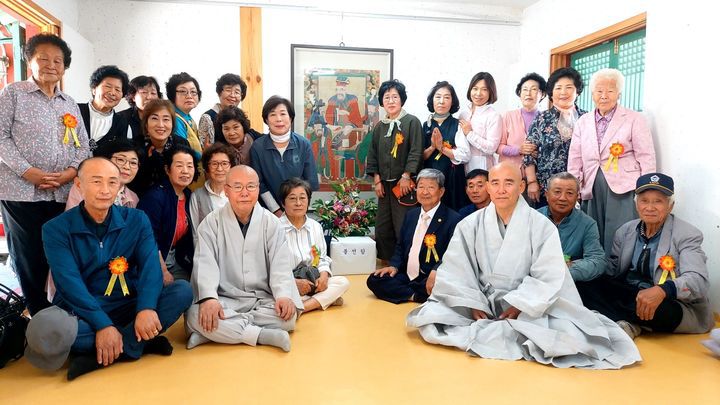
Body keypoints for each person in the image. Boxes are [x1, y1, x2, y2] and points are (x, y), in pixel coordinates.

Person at [406, 162, 641, 369]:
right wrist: (471, 302)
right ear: (488, 187)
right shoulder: (469, 224)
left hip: (527, 303)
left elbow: (548, 273)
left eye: (508, 183)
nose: (501, 189)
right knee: (432, 317)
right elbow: (458, 267)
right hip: (481, 299)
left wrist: (520, 304)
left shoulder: (541, 225)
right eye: (495, 183)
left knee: (564, 335)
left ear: (521, 187)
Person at [25, 157, 192, 380]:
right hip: (83, 311)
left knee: (182, 291)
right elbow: (68, 283)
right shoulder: (55, 229)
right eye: (96, 181)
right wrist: (103, 325)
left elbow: (151, 267)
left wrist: (146, 308)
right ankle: (137, 343)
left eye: (112, 182)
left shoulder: (137, 219)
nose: (105, 190)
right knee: (45, 330)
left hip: (129, 303)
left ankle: (101, 354)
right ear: (79, 184)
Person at [0, 33, 90, 315]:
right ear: (30, 61)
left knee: (58, 251)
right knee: (29, 254)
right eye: (43, 59)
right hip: (21, 191)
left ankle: (59, 310)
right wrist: (29, 172)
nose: (51, 65)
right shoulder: (13, 93)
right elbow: (1, 137)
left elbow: (83, 145)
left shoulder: (69, 103)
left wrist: (70, 172)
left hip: (61, 192)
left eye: (58, 61)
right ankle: (37, 313)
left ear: (65, 67)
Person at [576, 173, 713, 338]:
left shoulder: (687, 234)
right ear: (636, 204)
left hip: (670, 302)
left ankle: (617, 319)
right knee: (584, 285)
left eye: (658, 201)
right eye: (644, 201)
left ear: (670, 206)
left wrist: (664, 290)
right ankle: (631, 323)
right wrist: (584, 267)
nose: (650, 207)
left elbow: (698, 280)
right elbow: (611, 271)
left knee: (654, 309)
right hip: (633, 295)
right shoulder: (625, 231)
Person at [185, 165, 303, 351]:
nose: (245, 193)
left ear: (258, 189)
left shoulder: (271, 222)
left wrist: (282, 295)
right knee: (193, 315)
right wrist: (209, 298)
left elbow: (280, 265)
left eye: (251, 186)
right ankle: (262, 335)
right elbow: (205, 264)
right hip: (225, 298)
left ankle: (213, 333)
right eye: (238, 186)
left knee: (288, 317)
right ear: (226, 190)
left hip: (262, 298)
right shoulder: (211, 223)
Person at [568, 68, 656, 252]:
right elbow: (575, 157)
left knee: (621, 231)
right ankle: (596, 264)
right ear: (592, 94)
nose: (604, 95)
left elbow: (646, 155)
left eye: (610, 90)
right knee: (592, 230)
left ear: (619, 94)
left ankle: (618, 267)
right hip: (590, 184)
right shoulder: (583, 121)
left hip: (624, 185)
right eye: (599, 91)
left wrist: (646, 188)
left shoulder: (634, 118)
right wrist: (573, 186)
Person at [367, 169, 460, 304]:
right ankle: (415, 295)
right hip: (407, 275)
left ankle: (408, 292)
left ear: (441, 191)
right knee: (374, 279)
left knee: (445, 286)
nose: (425, 192)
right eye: (421, 187)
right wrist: (394, 266)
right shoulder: (411, 215)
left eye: (430, 187)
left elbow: (453, 254)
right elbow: (400, 246)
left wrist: (436, 270)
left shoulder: (453, 219)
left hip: (430, 276)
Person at [366, 80, 424, 262]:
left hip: (404, 186)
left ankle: (405, 263)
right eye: (386, 97)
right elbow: (373, 154)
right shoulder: (379, 126)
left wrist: (407, 175)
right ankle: (386, 263)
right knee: (382, 228)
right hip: (384, 186)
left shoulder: (412, 122)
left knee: (403, 226)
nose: (391, 101)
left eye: (395, 97)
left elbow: (416, 151)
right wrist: (377, 180)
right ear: (382, 102)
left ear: (402, 99)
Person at [279, 177, 350, 313]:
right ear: (283, 203)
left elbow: (322, 258)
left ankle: (301, 308)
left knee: (343, 282)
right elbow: (270, 268)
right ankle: (321, 300)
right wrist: (294, 283)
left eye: (302, 198)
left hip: (312, 280)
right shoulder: (275, 228)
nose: (298, 203)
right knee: (272, 295)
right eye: (292, 198)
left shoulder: (315, 227)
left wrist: (324, 276)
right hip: (288, 283)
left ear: (308, 201)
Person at [524, 67, 587, 208]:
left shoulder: (586, 118)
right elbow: (528, 153)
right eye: (558, 88)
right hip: (547, 187)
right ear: (551, 93)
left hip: (580, 187)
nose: (563, 92)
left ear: (577, 91)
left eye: (569, 87)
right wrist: (532, 182)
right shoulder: (542, 118)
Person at [250, 96, 319, 216]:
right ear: (266, 119)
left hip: (298, 211)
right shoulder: (258, 147)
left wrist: (297, 207)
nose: (279, 119)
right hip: (268, 213)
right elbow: (259, 184)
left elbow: (310, 181)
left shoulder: (303, 144)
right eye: (272, 114)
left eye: (283, 114)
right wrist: (276, 210)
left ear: (290, 117)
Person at [138, 146, 196, 283]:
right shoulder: (155, 197)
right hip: (155, 262)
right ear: (167, 169)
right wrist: (163, 271)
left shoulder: (188, 195)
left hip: (177, 260)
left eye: (190, 166)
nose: (185, 171)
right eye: (179, 165)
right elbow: (148, 238)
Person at [537, 172, 606, 282]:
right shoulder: (532, 218)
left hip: (570, 282)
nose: (563, 198)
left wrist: (567, 270)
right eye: (557, 192)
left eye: (569, 193)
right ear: (547, 194)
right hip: (534, 279)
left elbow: (597, 261)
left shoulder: (587, 224)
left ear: (577, 197)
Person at [421, 81, 470, 211]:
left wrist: (442, 148)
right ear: (432, 100)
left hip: (452, 179)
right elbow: (419, 157)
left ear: (452, 102)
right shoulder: (426, 125)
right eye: (438, 97)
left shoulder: (457, 124)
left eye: (447, 97)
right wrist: (433, 147)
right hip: (429, 179)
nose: (441, 101)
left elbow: (465, 156)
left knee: (452, 213)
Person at [130, 99, 191, 196]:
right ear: (146, 123)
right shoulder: (135, 146)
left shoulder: (181, 144)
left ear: (172, 124)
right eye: (154, 118)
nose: (160, 125)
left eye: (166, 119)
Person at [66, 139, 140, 209]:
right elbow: (72, 217)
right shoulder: (83, 187)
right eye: (120, 159)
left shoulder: (133, 198)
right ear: (106, 160)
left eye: (133, 163)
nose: (127, 167)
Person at [189, 143, 236, 242]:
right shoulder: (197, 196)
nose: (219, 169)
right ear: (207, 167)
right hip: (208, 249)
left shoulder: (240, 192)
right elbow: (195, 234)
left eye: (224, 163)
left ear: (231, 166)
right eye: (214, 164)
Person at [77, 65, 130, 154]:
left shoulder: (121, 122)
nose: (112, 93)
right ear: (94, 89)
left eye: (117, 90)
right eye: (108, 86)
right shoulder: (75, 110)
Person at [498, 73, 546, 169]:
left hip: (537, 172)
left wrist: (540, 153)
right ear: (519, 93)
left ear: (542, 94)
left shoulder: (546, 119)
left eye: (533, 89)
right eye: (525, 89)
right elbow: (498, 147)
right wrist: (519, 150)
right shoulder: (508, 116)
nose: (528, 93)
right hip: (510, 171)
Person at [458, 72, 502, 172]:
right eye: (475, 88)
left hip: (482, 168)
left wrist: (469, 134)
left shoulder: (493, 116)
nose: (478, 93)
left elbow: (491, 148)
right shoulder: (463, 114)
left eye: (484, 89)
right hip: (461, 167)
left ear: (491, 92)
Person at [198, 73, 252, 147]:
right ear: (219, 93)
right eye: (228, 90)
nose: (232, 95)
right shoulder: (208, 117)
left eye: (237, 92)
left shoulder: (240, 117)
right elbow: (205, 147)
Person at [166, 72, 203, 156]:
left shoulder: (188, 117)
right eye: (183, 91)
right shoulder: (175, 119)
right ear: (172, 95)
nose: (189, 96)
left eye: (193, 91)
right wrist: (206, 155)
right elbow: (184, 151)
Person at [120, 75, 162, 145]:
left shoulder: (164, 117)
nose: (149, 97)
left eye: (153, 93)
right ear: (133, 97)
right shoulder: (121, 118)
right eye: (144, 92)